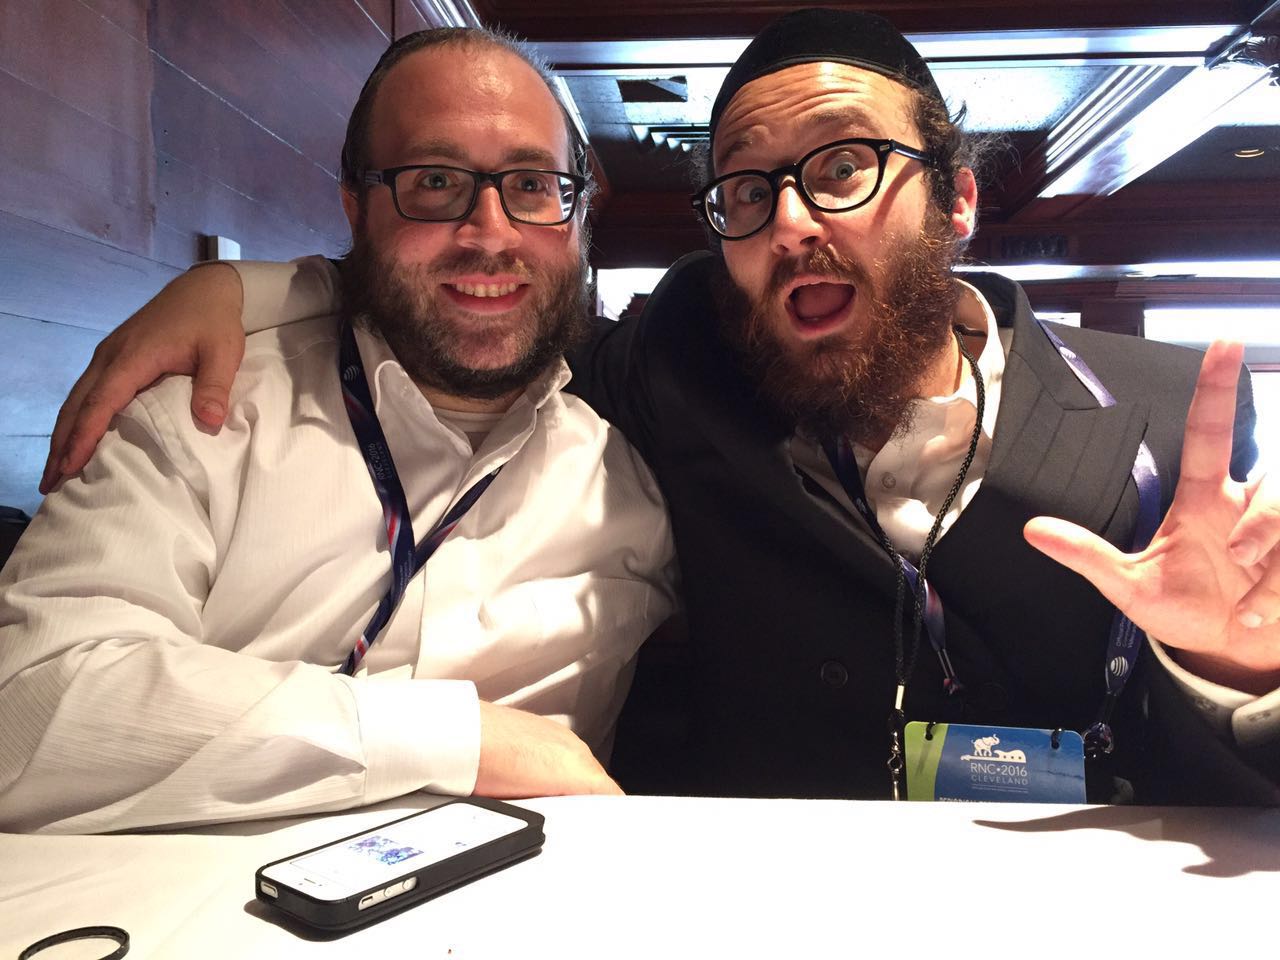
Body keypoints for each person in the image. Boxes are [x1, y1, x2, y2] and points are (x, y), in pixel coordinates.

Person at [36, 10, 1280, 804]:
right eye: (743, 191)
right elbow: (486, 309)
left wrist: (1235, 670)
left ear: (955, 198)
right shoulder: (681, 363)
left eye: (843, 166)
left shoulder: (1172, 414)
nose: (788, 222)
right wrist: (256, 284)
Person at [0, 27, 677, 834]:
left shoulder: (630, 482)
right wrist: (461, 740)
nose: (491, 232)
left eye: (532, 185)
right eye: (435, 181)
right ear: (357, 207)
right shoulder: (201, 418)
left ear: (577, 214)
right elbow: (27, 713)